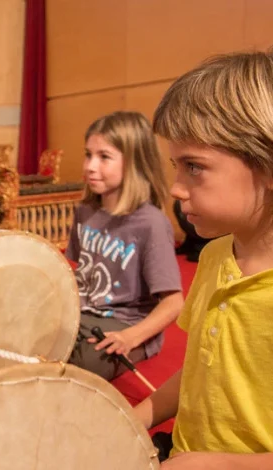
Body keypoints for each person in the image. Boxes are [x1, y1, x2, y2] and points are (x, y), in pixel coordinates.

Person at [133, 46, 273, 468]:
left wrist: (221, 464)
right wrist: (134, 418)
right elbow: (204, 377)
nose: (176, 188)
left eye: (194, 167)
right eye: (175, 167)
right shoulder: (216, 256)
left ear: (272, 164)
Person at [65, 111, 184, 381]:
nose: (90, 166)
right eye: (88, 155)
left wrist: (130, 338)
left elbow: (174, 303)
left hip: (125, 323)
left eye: (104, 157)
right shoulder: (85, 211)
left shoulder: (150, 223)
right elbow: (75, 271)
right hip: (82, 312)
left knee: (85, 367)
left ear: (134, 163)